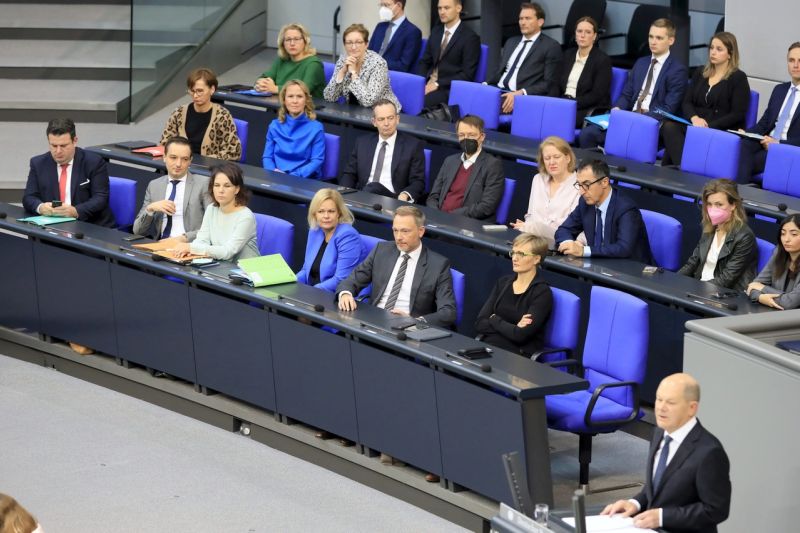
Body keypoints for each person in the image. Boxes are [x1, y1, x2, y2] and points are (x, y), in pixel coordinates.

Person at [602, 373, 731, 533]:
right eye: (659, 399)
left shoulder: (709, 452)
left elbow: (716, 510)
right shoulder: (658, 432)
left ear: (692, 408)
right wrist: (635, 504)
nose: (661, 407)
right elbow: (657, 487)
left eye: (670, 402)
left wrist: (662, 517)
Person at [336, 205, 456, 329]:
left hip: (407, 330)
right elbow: (352, 280)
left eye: (405, 231)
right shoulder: (381, 250)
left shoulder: (438, 265)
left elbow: (448, 312)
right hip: (372, 321)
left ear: (421, 231)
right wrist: (345, 293)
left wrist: (415, 321)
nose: (398, 237)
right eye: (395, 230)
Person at [578, 18, 687, 149]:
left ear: (671, 40)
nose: (653, 42)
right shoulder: (641, 63)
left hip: (650, 124)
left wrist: (637, 118)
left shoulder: (677, 70)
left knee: (626, 141)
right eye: (651, 37)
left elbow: (668, 109)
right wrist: (618, 108)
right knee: (587, 134)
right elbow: (626, 95)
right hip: (627, 119)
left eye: (659, 38)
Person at [662, 32, 750, 166]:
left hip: (719, 129)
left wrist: (709, 126)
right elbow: (687, 102)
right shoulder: (701, 72)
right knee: (669, 127)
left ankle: (681, 174)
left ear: (730, 54)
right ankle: (684, 170)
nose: (713, 52)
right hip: (695, 126)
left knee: (674, 144)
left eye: (719, 49)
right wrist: (694, 118)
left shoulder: (738, 78)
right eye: (712, 48)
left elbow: (738, 114)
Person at [555, 159, 654, 264]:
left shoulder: (626, 209)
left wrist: (584, 251)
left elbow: (624, 248)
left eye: (586, 185)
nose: (581, 191)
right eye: (579, 185)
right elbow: (564, 229)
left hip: (630, 270)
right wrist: (569, 244)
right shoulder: (585, 203)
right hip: (598, 264)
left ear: (604, 182)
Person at [23, 117, 115, 227]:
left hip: (89, 225)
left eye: (63, 146)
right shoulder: (38, 164)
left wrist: (75, 211)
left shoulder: (94, 162)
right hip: (53, 226)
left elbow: (101, 198)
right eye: (53, 145)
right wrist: (40, 207)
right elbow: (29, 197)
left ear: (74, 141)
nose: (58, 151)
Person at [475, 233, 553, 357]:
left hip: (518, 356)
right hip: (488, 348)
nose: (514, 258)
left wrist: (494, 319)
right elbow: (480, 323)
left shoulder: (542, 293)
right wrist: (512, 328)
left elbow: (520, 336)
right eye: (513, 253)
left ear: (536, 259)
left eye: (521, 254)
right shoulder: (503, 283)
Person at [737, 42, 800, 183]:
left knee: (739, 162)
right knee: (742, 144)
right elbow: (764, 124)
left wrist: (778, 143)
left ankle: (739, 196)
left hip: (788, 150)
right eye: (791, 60)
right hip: (765, 142)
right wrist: (746, 133)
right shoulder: (780, 90)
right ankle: (741, 193)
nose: (795, 65)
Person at [339, 99, 425, 201]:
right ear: (374, 122)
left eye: (390, 118)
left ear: (397, 119)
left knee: (373, 187)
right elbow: (350, 174)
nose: (386, 123)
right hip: (362, 195)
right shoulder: (362, 142)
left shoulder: (413, 145)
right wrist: (341, 194)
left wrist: (404, 195)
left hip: (394, 198)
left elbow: (418, 181)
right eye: (381, 119)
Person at [678, 179, 756, 291]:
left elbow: (726, 279)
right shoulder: (710, 228)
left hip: (722, 295)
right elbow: (692, 263)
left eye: (719, 204)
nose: (713, 210)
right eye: (709, 204)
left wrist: (695, 290)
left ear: (733, 205)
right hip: (700, 287)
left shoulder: (744, 236)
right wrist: (674, 281)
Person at [486, 2, 562, 115]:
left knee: (482, 108)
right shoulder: (511, 42)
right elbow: (500, 72)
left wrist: (521, 92)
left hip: (520, 97)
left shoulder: (550, 46)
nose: (523, 22)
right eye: (521, 19)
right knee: (468, 95)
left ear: (540, 22)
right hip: (499, 91)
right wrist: (485, 85)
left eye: (528, 18)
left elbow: (549, 83)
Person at [173, 161, 258, 261]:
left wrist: (192, 248)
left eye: (227, 186)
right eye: (217, 185)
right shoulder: (211, 209)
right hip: (220, 266)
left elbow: (227, 252)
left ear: (237, 189)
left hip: (245, 271)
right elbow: (202, 240)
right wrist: (189, 250)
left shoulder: (245, 216)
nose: (221, 190)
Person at [132, 136, 212, 241]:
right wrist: (150, 209)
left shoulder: (204, 184)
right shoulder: (155, 185)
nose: (178, 164)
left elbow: (212, 228)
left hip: (189, 246)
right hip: (161, 245)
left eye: (184, 159)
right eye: (173, 157)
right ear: (164, 157)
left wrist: (183, 238)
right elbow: (138, 231)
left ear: (190, 161)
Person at [426, 114, 505, 220]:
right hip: (439, 220)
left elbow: (487, 206)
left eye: (471, 135)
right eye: (462, 135)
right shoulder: (450, 161)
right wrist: (437, 214)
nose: (466, 139)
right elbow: (433, 196)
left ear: (482, 137)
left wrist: (451, 216)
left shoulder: (492, 165)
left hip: (467, 223)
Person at [510, 136, 582, 248]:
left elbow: (568, 225)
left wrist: (531, 227)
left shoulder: (579, 184)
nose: (551, 162)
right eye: (547, 158)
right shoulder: (538, 179)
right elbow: (530, 214)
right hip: (533, 237)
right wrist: (530, 227)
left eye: (556, 157)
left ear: (567, 158)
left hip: (560, 238)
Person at [160, 68, 241, 161]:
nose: (195, 95)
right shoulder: (179, 112)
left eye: (200, 91)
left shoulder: (222, 116)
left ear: (212, 89)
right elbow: (165, 144)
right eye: (192, 91)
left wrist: (204, 161)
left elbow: (233, 152)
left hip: (207, 170)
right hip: (179, 166)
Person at [296, 188, 363, 292]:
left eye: (331, 211)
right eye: (321, 211)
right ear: (315, 214)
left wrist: (311, 292)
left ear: (339, 213)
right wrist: (292, 282)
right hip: (313, 291)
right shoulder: (315, 230)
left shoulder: (348, 236)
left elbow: (341, 279)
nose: (326, 216)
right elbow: (306, 270)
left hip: (334, 295)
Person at [417, 0, 481, 108]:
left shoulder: (470, 38)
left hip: (448, 88)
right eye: (439, 8)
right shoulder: (436, 31)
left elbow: (467, 75)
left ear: (458, 8)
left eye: (446, 8)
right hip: (428, 83)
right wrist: (419, 82)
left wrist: (437, 84)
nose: (442, 12)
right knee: (400, 98)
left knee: (419, 103)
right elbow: (425, 61)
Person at [324, 23, 401, 111]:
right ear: (345, 45)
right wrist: (342, 71)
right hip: (354, 111)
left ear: (366, 44)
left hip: (382, 113)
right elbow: (329, 97)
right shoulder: (343, 60)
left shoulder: (378, 63)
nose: (353, 47)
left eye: (358, 42)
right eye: (349, 43)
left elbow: (369, 101)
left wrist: (353, 73)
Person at [262, 79, 326, 178]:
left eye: (299, 96)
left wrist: (294, 176)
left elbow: (317, 160)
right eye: (290, 96)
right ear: (284, 100)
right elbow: (267, 157)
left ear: (306, 100)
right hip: (276, 176)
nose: (295, 101)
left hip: (303, 180)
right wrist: (274, 171)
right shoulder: (274, 126)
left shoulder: (316, 128)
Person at [557, 16, 612, 128]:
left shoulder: (602, 60)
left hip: (585, 108)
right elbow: (556, 83)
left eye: (587, 32)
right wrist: (557, 102)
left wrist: (571, 104)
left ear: (594, 36)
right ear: (575, 34)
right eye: (579, 31)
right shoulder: (567, 55)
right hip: (563, 103)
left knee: (559, 120)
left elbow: (597, 95)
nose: (582, 35)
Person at [254, 23, 325, 98]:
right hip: (281, 104)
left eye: (296, 39)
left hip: (307, 107)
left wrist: (275, 89)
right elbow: (264, 77)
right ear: (283, 43)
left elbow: (303, 90)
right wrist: (261, 84)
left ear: (305, 41)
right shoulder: (281, 60)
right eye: (288, 40)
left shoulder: (313, 64)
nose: (292, 43)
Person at [747, 214, 800, 310]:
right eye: (783, 234)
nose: (786, 239)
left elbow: (790, 303)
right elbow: (753, 286)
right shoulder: (778, 254)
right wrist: (760, 297)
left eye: (794, 234)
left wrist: (763, 289)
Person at [368, 0, 422, 73]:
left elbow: (404, 65)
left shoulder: (412, 32)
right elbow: (369, 52)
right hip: (370, 73)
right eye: (382, 5)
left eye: (386, 5)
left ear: (399, 6)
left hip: (392, 76)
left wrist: (378, 64)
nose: (383, 9)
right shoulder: (380, 26)